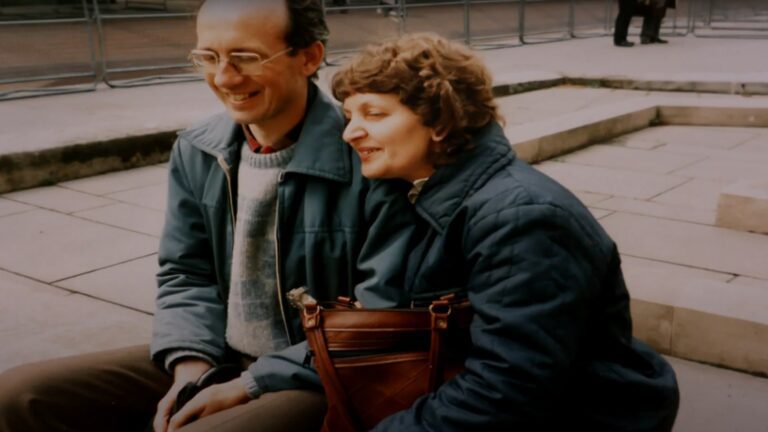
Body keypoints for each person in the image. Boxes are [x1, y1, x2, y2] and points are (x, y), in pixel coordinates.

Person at [0, 1, 415, 431]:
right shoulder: (198, 149)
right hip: (223, 352)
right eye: (209, 57)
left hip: (321, 371)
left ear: (309, 57)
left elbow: (379, 315)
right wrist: (190, 365)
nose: (224, 77)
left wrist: (249, 384)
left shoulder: (370, 156)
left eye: (246, 57)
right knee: (18, 396)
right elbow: (186, 272)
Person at [332, 33, 680, 430]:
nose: (350, 132)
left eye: (374, 114)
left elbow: (507, 391)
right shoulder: (417, 192)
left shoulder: (521, 220)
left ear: (439, 122)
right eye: (349, 116)